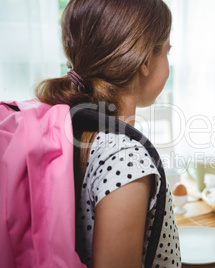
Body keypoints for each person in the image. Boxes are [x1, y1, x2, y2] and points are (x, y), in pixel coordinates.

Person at [35, 0, 181, 267]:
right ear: (146, 60)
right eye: (167, 52)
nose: (168, 60)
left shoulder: (74, 126)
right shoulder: (127, 157)